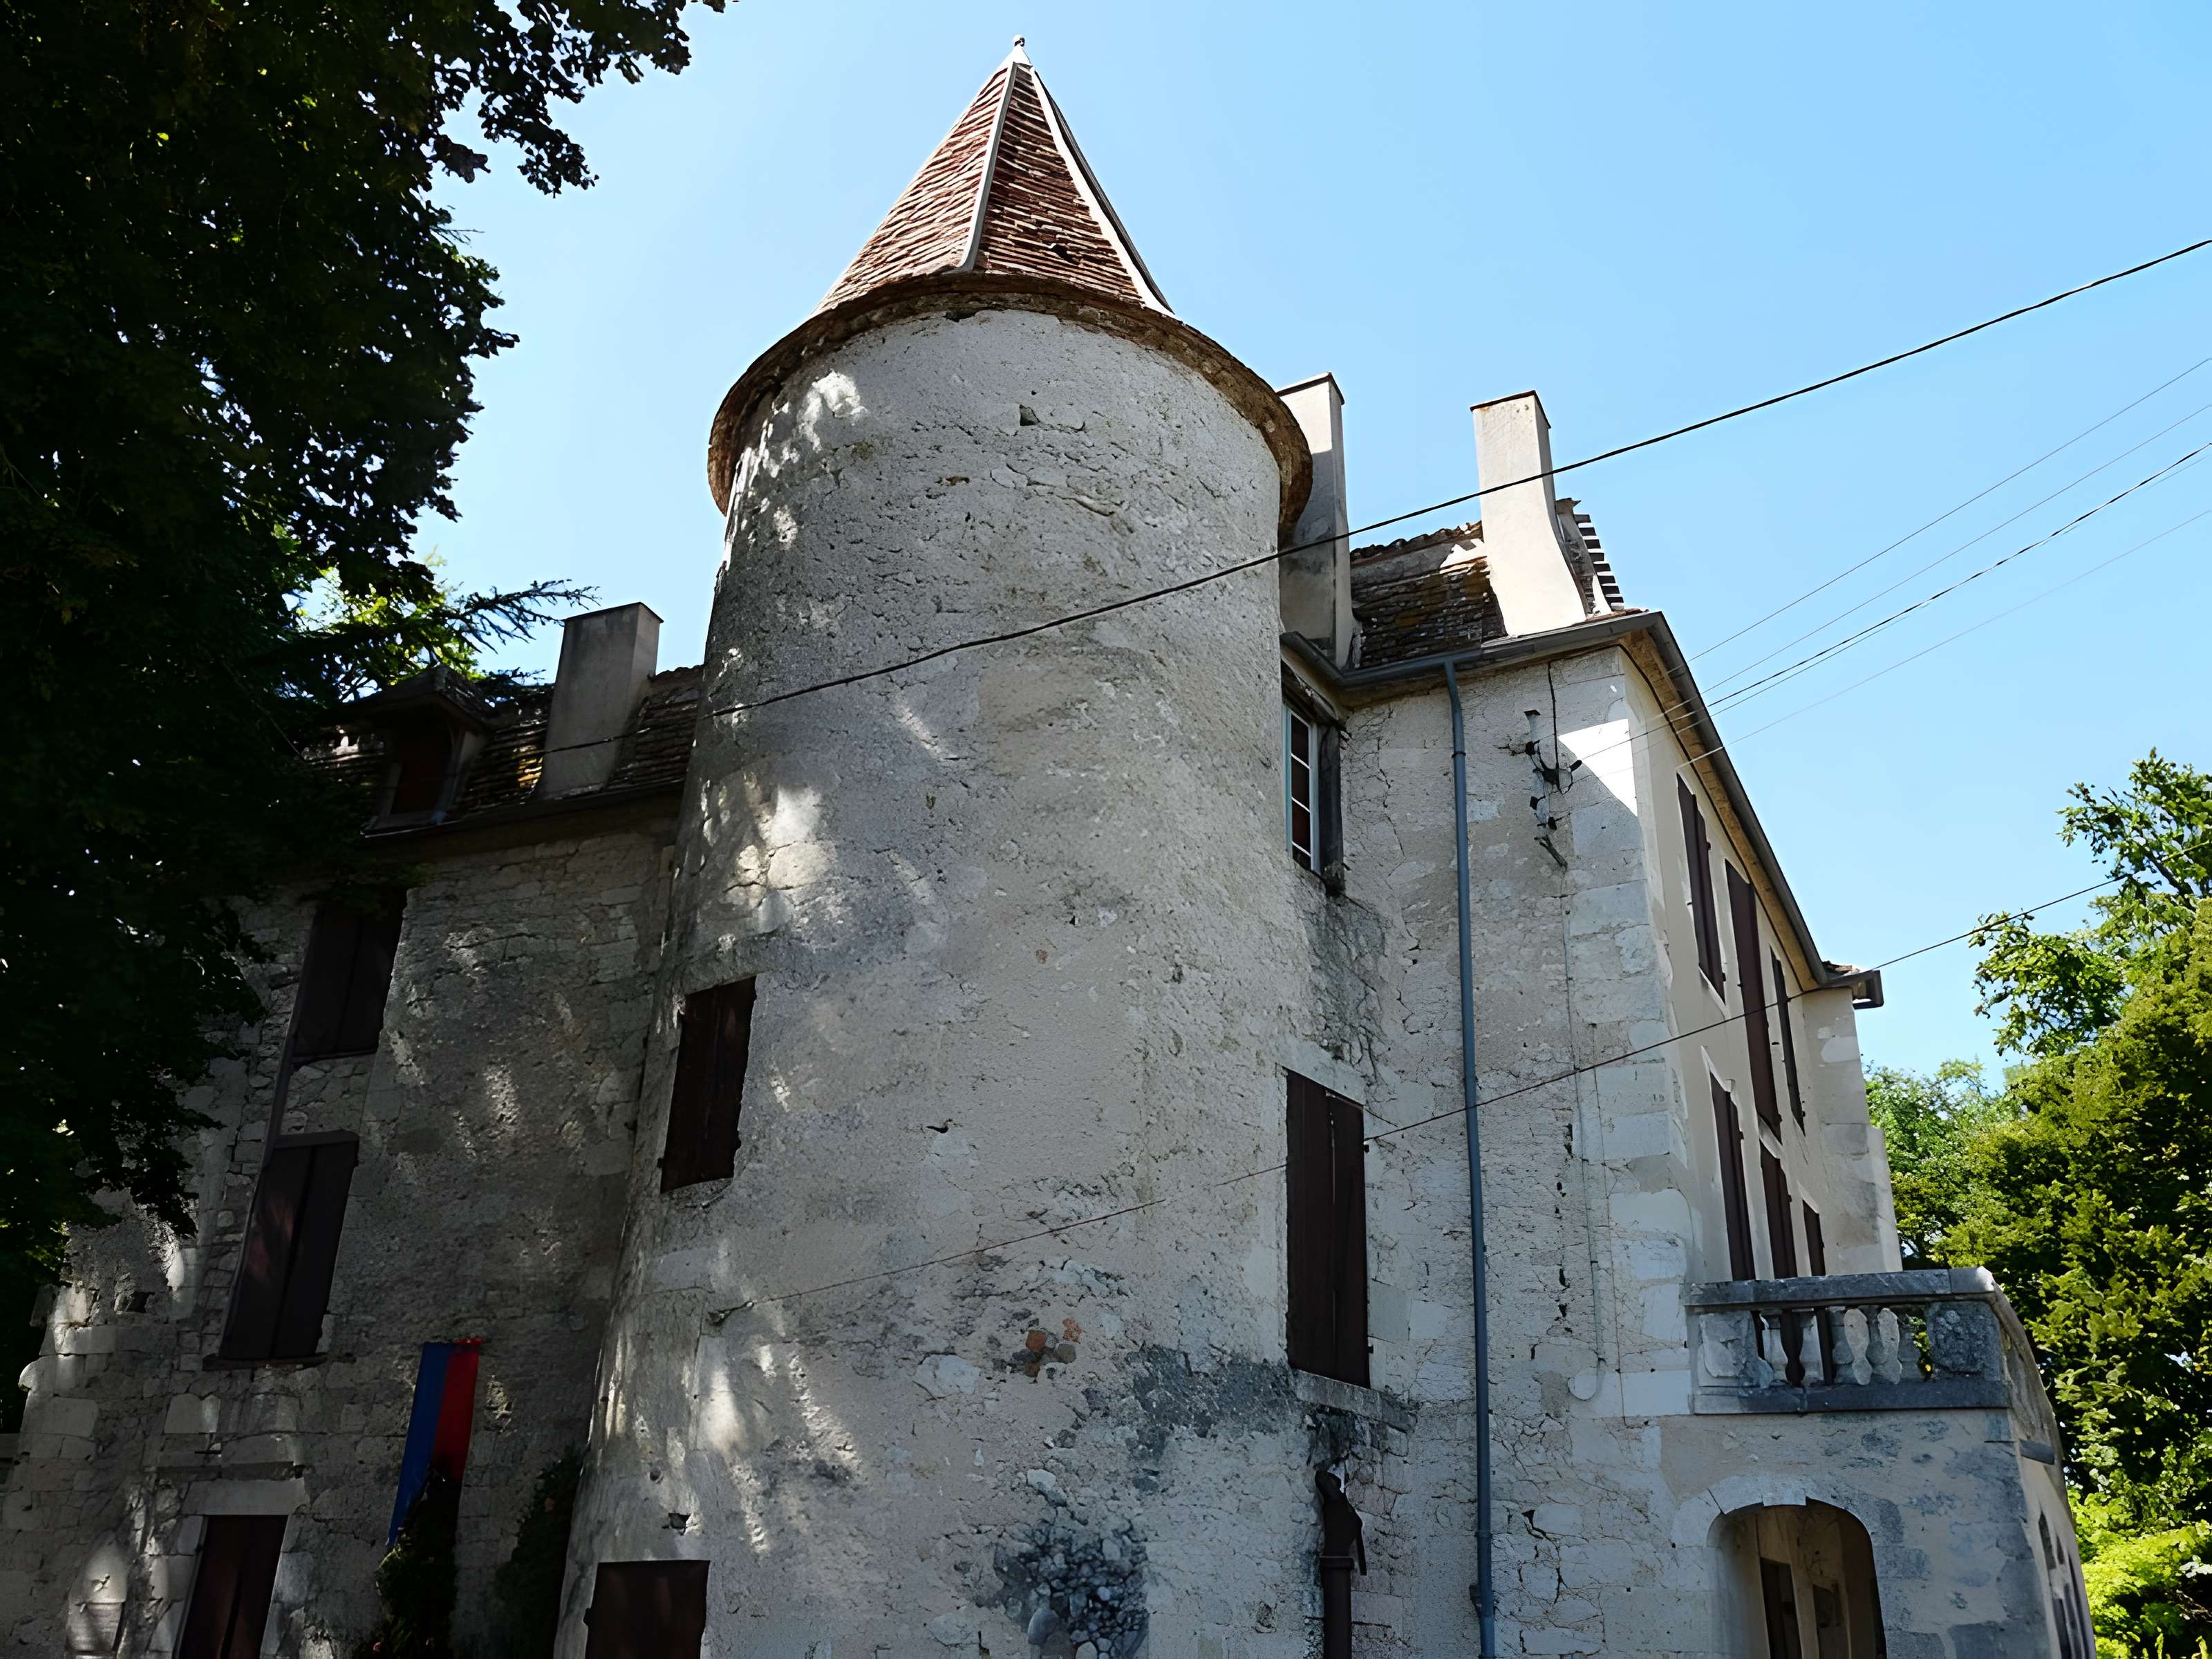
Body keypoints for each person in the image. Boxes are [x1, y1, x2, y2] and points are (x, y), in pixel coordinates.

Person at [1315, 1468, 1365, 1658]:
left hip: (1338, 1554)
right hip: (1334, 1554)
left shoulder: (1340, 1503)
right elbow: (1320, 1477)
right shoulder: (1337, 1501)